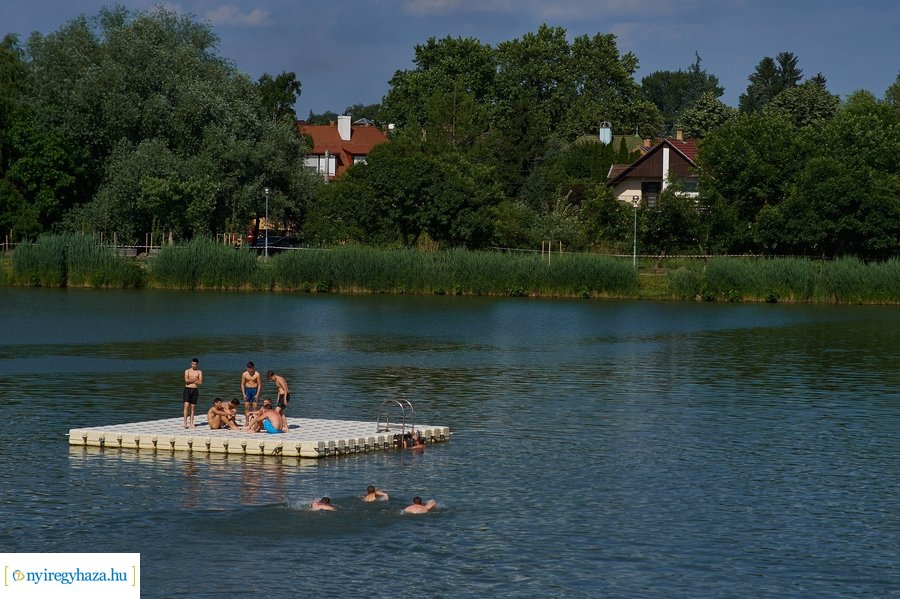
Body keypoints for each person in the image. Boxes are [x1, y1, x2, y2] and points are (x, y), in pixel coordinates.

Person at [183, 358, 202, 429]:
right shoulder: (187, 371)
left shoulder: (199, 372)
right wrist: (195, 379)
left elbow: (200, 382)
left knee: (193, 407)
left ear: (197, 364)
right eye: (192, 364)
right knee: (186, 405)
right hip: (187, 389)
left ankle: (191, 423)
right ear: (191, 364)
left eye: (195, 364)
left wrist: (191, 380)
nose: (193, 365)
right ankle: (185, 423)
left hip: (195, 390)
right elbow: (186, 381)